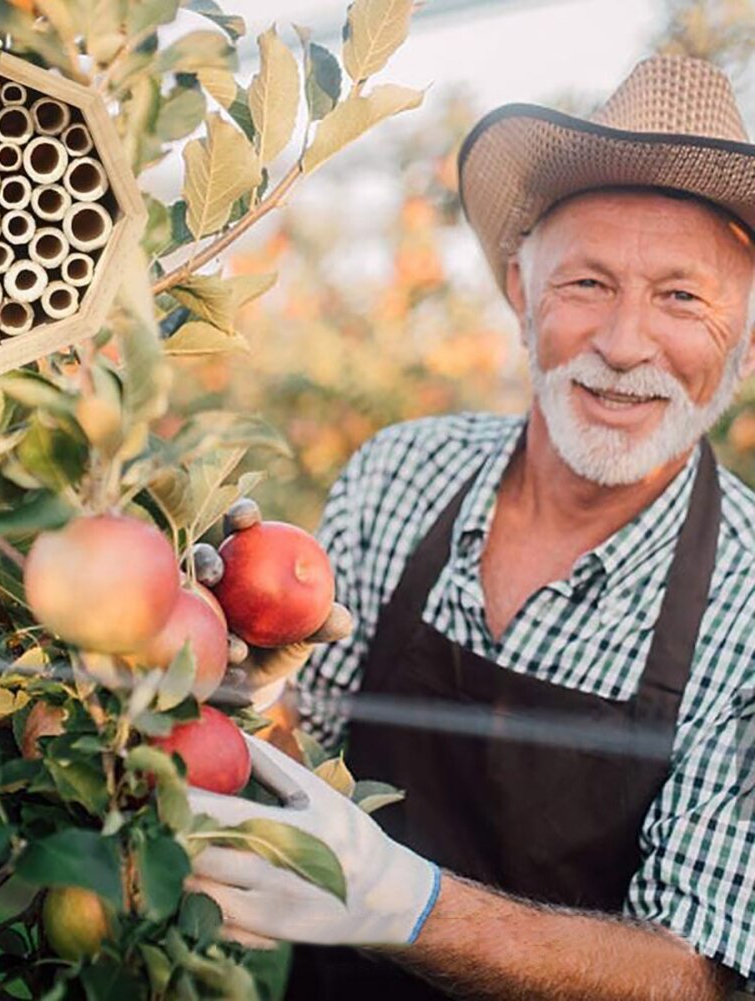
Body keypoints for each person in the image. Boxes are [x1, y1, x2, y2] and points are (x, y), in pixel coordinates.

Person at [190, 55, 755, 999]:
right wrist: (247, 698)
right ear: (518, 293)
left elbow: (698, 971)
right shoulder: (397, 475)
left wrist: (411, 907)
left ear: (743, 331)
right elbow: (312, 771)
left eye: (681, 296)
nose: (622, 344)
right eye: (584, 284)